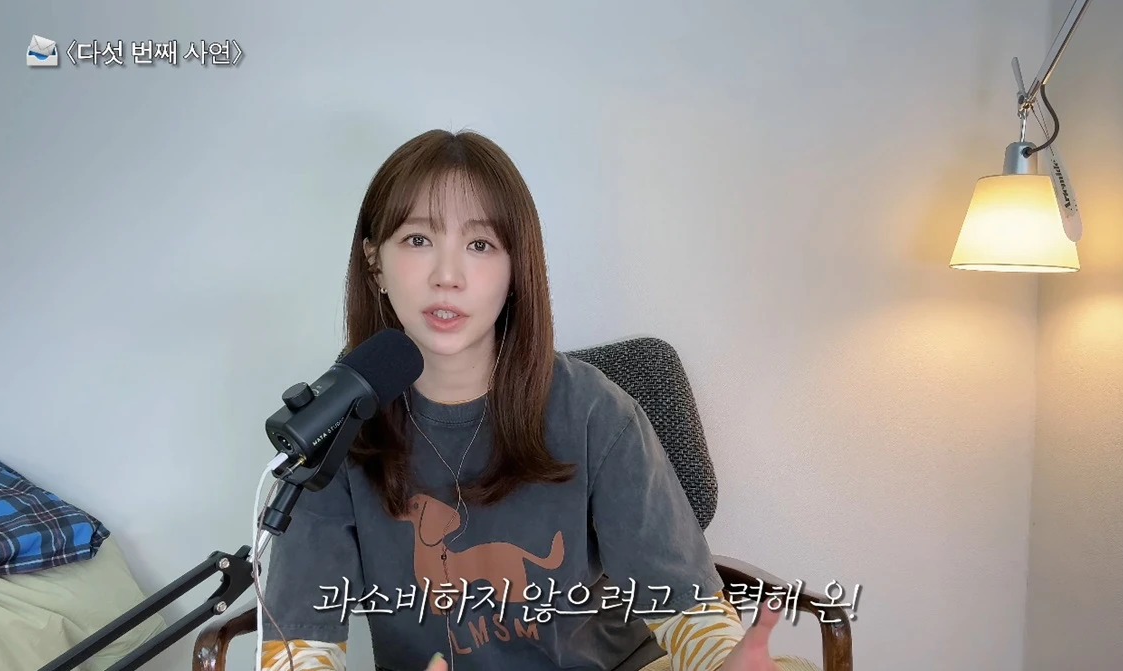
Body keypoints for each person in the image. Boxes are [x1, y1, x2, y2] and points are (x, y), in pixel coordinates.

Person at [258, 129, 818, 671]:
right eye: (418, 240)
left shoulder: (594, 410)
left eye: (480, 245)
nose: (448, 276)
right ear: (374, 260)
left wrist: (724, 662)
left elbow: (686, 609)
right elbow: (300, 647)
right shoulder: (334, 426)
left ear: (514, 269)